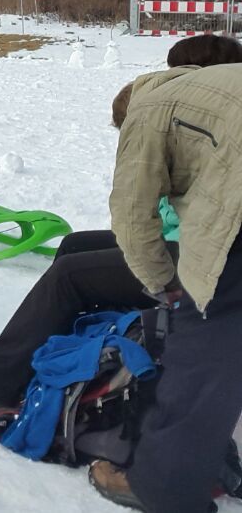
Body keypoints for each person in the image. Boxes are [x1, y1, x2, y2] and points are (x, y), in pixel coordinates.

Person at [0, 35, 242, 418]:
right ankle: (64, 360)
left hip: (209, 254)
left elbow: (139, 214)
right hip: (194, 240)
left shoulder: (168, 110)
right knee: (76, 245)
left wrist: (163, 283)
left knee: (69, 276)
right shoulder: (208, 110)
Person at [88, 61, 242, 512]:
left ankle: (164, 485)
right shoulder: (210, 84)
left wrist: (166, 286)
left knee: (202, 346)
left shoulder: (148, 111)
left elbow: (133, 221)